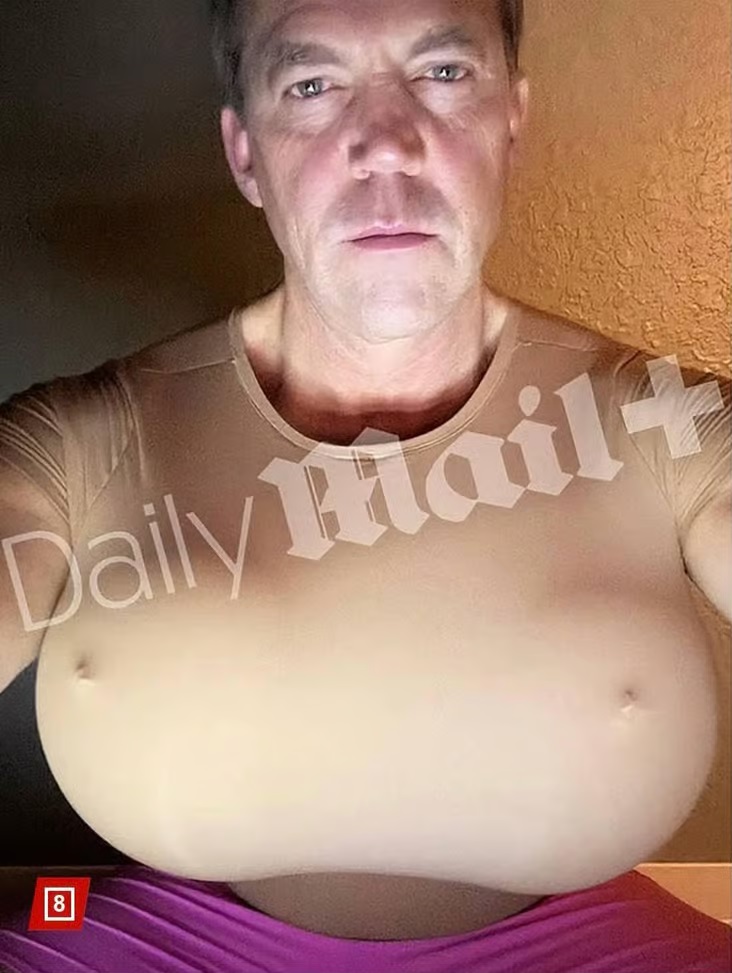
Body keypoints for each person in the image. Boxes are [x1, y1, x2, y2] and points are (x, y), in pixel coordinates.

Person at [0, 0, 730, 969]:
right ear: (245, 153)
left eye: (442, 74)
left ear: (512, 119)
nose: (387, 143)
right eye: (312, 85)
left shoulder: (674, 423)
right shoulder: (75, 440)